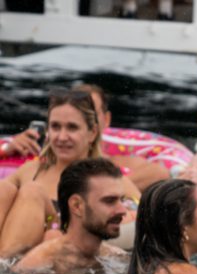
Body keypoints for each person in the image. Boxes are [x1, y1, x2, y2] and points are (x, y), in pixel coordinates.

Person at [0, 89, 141, 259]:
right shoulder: (31, 170)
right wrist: (6, 150)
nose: (61, 136)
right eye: (55, 127)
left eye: (72, 128)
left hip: (56, 255)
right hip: (21, 250)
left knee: (32, 191)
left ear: (92, 132)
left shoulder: (108, 180)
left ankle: (5, 271)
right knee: (5, 188)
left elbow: (142, 219)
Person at [11, 159, 129, 274]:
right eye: (109, 201)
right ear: (77, 206)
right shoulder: (38, 265)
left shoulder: (117, 258)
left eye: (122, 200)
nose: (122, 210)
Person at [73, 83, 172, 191]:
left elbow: (160, 173)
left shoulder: (117, 163)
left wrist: (107, 189)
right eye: (78, 114)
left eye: (91, 115)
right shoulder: (52, 165)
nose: (84, 121)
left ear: (106, 119)